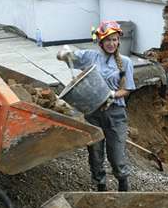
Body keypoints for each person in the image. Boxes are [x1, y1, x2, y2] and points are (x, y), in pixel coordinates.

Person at [57, 20, 136, 192]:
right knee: (95, 153)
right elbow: (63, 54)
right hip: (92, 113)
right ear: (100, 42)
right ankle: (100, 185)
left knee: (117, 155)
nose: (112, 44)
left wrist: (113, 95)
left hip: (116, 114)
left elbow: (127, 89)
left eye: (115, 40)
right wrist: (64, 53)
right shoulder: (90, 57)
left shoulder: (126, 62)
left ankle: (123, 185)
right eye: (108, 40)